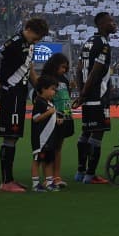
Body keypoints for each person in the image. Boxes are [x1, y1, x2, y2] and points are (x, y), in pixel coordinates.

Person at [0, 16, 48, 194]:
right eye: (37, 36)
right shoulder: (15, 41)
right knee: (10, 136)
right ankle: (5, 181)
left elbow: (30, 69)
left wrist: (39, 90)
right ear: (29, 29)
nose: (38, 40)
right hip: (11, 92)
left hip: (20, 93)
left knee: (14, 135)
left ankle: (9, 179)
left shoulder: (29, 45)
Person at [74, 11, 114, 185]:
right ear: (101, 25)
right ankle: (90, 175)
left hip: (88, 95)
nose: (114, 23)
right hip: (97, 95)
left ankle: (80, 172)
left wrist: (82, 92)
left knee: (85, 132)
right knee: (97, 133)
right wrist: (83, 93)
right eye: (110, 21)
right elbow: (96, 69)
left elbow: (78, 69)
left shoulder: (88, 42)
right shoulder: (103, 44)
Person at [38, 52, 72, 190]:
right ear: (55, 65)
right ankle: (48, 178)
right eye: (62, 67)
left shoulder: (64, 79)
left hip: (65, 115)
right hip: (52, 116)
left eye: (66, 68)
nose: (64, 70)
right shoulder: (47, 79)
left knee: (58, 147)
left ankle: (56, 177)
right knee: (50, 147)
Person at [29, 75, 63, 193]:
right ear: (43, 88)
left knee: (48, 160)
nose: (54, 92)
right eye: (52, 89)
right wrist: (49, 113)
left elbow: (50, 116)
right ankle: (35, 183)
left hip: (49, 138)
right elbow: (36, 118)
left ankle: (49, 182)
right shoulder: (39, 102)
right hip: (40, 139)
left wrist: (56, 119)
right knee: (37, 160)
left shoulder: (50, 102)